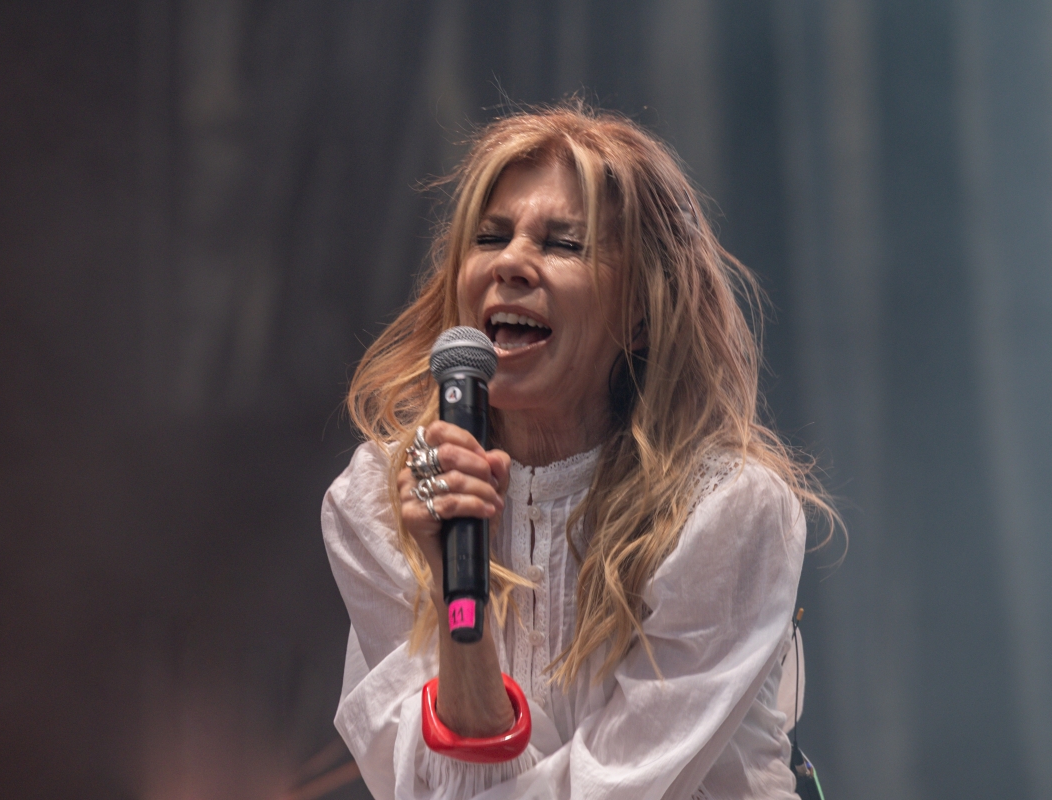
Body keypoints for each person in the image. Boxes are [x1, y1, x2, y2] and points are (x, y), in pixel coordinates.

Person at [322, 104, 835, 800]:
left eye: (563, 244)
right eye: (490, 237)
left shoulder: (725, 510)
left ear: (642, 312)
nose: (511, 263)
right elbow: (420, 784)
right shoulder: (382, 502)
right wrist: (455, 594)